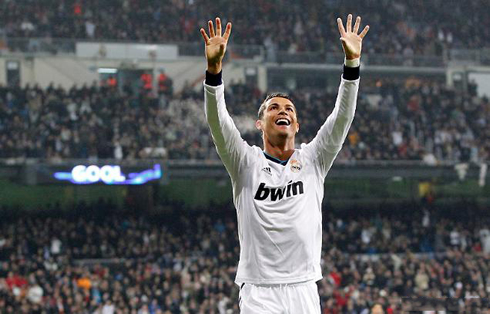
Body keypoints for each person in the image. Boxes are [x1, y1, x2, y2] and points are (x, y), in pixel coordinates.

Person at [200, 15, 369, 313]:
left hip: (304, 288)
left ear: (297, 124)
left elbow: (342, 117)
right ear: (260, 124)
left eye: (289, 108)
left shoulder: (314, 159)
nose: (283, 111)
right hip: (260, 292)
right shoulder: (245, 161)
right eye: (274, 108)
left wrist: (352, 66)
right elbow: (218, 122)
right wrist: (214, 72)